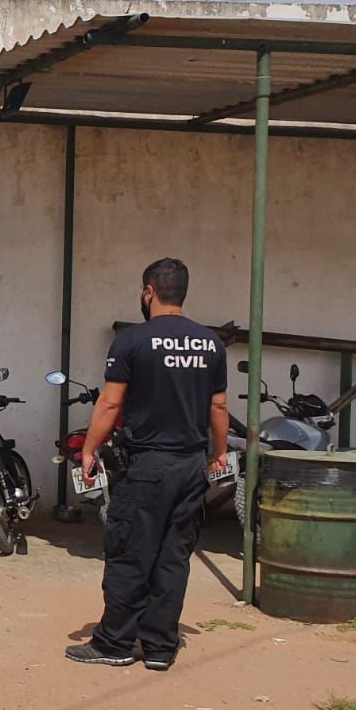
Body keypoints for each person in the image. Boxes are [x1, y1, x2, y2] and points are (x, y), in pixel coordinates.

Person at [67, 258, 228, 671]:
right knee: (173, 556)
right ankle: (159, 647)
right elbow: (218, 407)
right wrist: (219, 453)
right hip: (190, 466)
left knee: (130, 553)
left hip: (146, 467)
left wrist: (89, 450)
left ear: (149, 291)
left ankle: (115, 643)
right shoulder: (211, 343)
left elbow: (110, 403)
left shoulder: (132, 341)